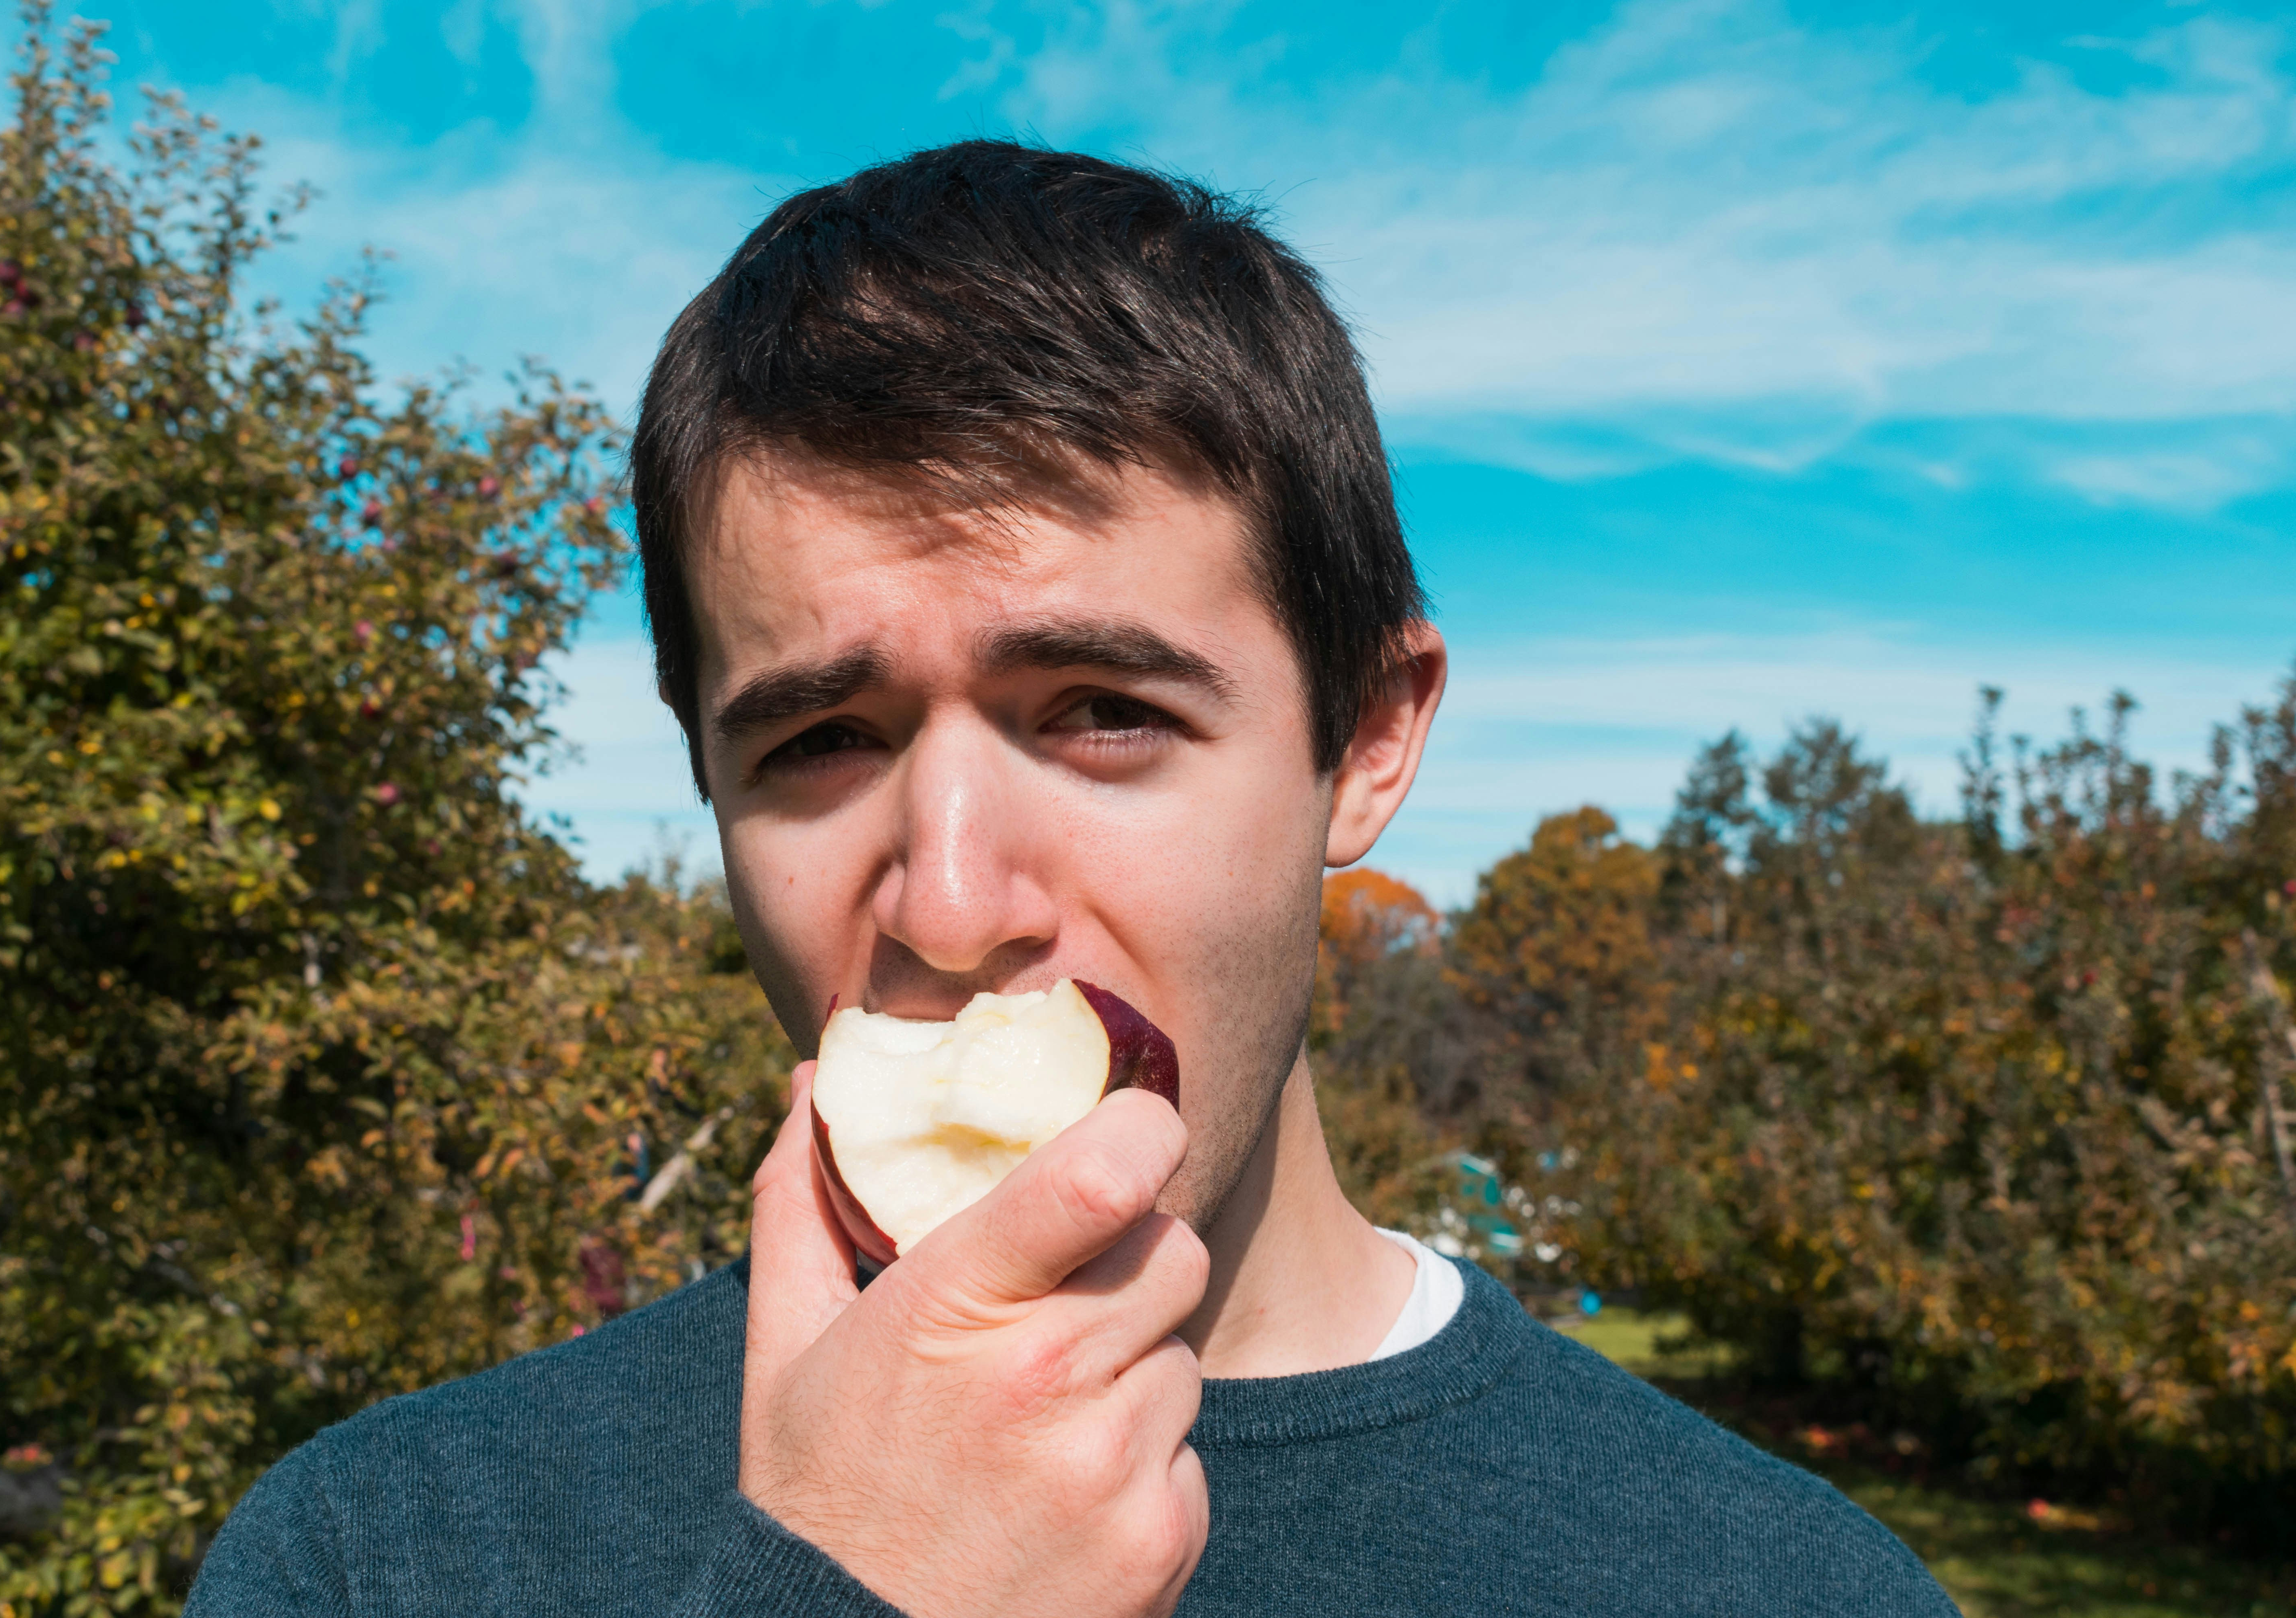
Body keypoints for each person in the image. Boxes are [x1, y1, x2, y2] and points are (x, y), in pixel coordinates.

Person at [185, 141, 1955, 1618]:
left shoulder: (1784, 1589)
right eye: (817, 741)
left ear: (1364, 741)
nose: (952, 908)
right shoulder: (382, 1560)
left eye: (1103, 714)